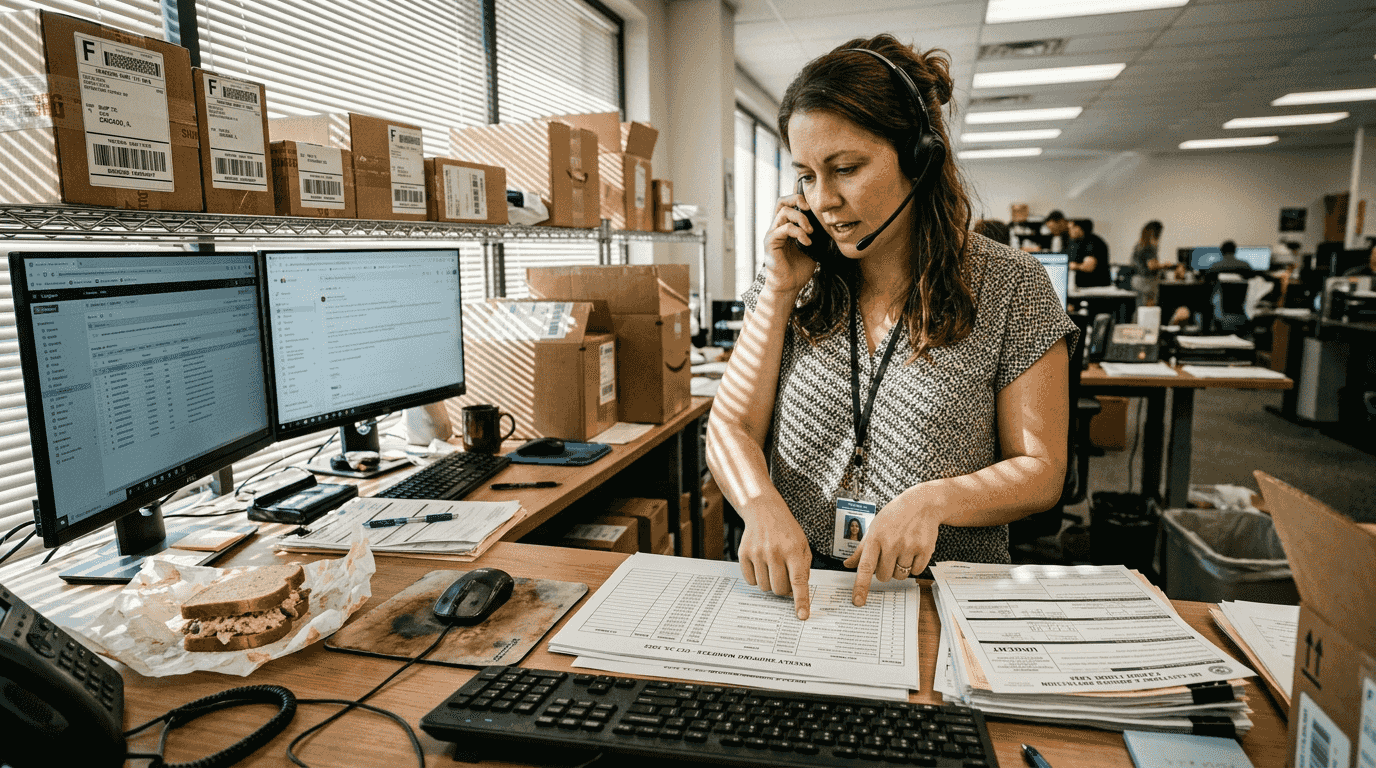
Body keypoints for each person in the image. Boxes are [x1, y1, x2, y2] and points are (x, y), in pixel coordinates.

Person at [705, 35, 1075, 621]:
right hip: (804, 596)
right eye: (805, 175)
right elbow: (730, 424)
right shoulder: (793, 279)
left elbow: (1041, 471)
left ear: (918, 157)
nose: (822, 200)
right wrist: (757, 503)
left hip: (945, 596)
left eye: (845, 169)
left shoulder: (1011, 285)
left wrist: (938, 499)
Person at [1067, 218, 1111, 287]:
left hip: (1096, 286)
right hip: (1085, 286)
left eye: (1071, 228)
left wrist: (1074, 266)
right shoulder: (1077, 243)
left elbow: (1089, 267)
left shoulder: (1092, 242)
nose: (1069, 231)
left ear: (1078, 228)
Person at [1130, 220, 1163, 305]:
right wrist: (1166, 266)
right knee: (1148, 311)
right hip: (1146, 282)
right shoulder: (1149, 247)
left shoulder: (1139, 245)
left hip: (1136, 280)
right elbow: (1152, 266)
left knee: (1139, 309)